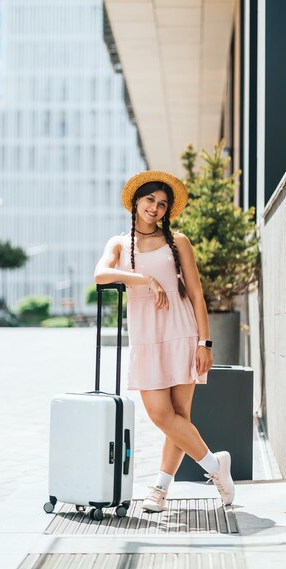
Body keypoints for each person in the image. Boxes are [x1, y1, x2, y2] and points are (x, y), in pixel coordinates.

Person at [94, 170, 234, 513]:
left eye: (162, 204)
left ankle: (159, 488)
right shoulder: (117, 243)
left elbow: (197, 294)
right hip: (146, 337)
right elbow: (100, 275)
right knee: (161, 415)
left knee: (179, 415)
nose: (155, 208)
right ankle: (217, 468)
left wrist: (206, 342)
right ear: (136, 202)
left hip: (181, 331)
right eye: (149, 200)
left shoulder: (178, 242)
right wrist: (144, 279)